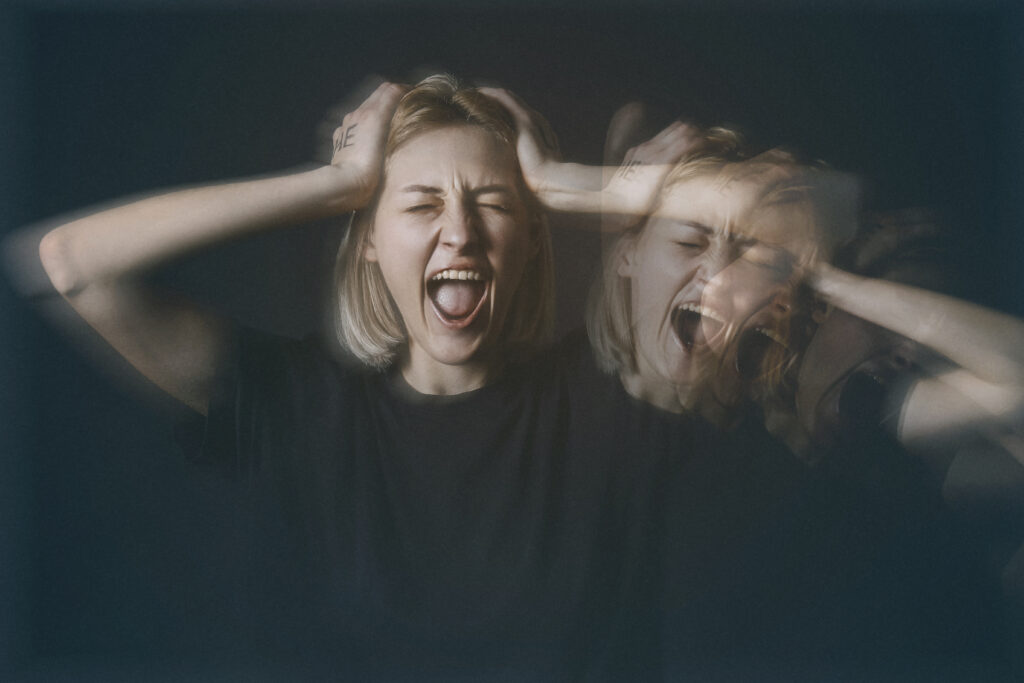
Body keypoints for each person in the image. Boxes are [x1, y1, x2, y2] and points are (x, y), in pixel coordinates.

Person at [29, 74, 687, 679]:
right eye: (421, 204)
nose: (460, 233)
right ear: (369, 236)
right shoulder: (292, 401)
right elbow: (73, 264)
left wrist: (580, 183)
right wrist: (336, 183)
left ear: (534, 234)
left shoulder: (616, 393)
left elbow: (790, 234)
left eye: (492, 202)